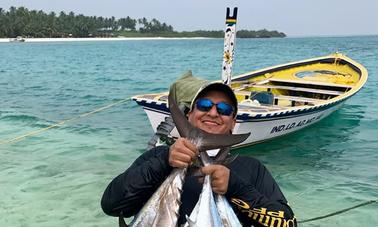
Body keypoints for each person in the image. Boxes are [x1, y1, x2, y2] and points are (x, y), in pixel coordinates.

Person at [101, 82, 297, 226]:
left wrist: (236, 187)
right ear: (189, 115)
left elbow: (289, 223)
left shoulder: (250, 168)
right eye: (204, 106)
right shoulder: (159, 156)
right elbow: (112, 205)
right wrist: (163, 161)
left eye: (223, 109)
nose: (213, 113)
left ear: (233, 121)